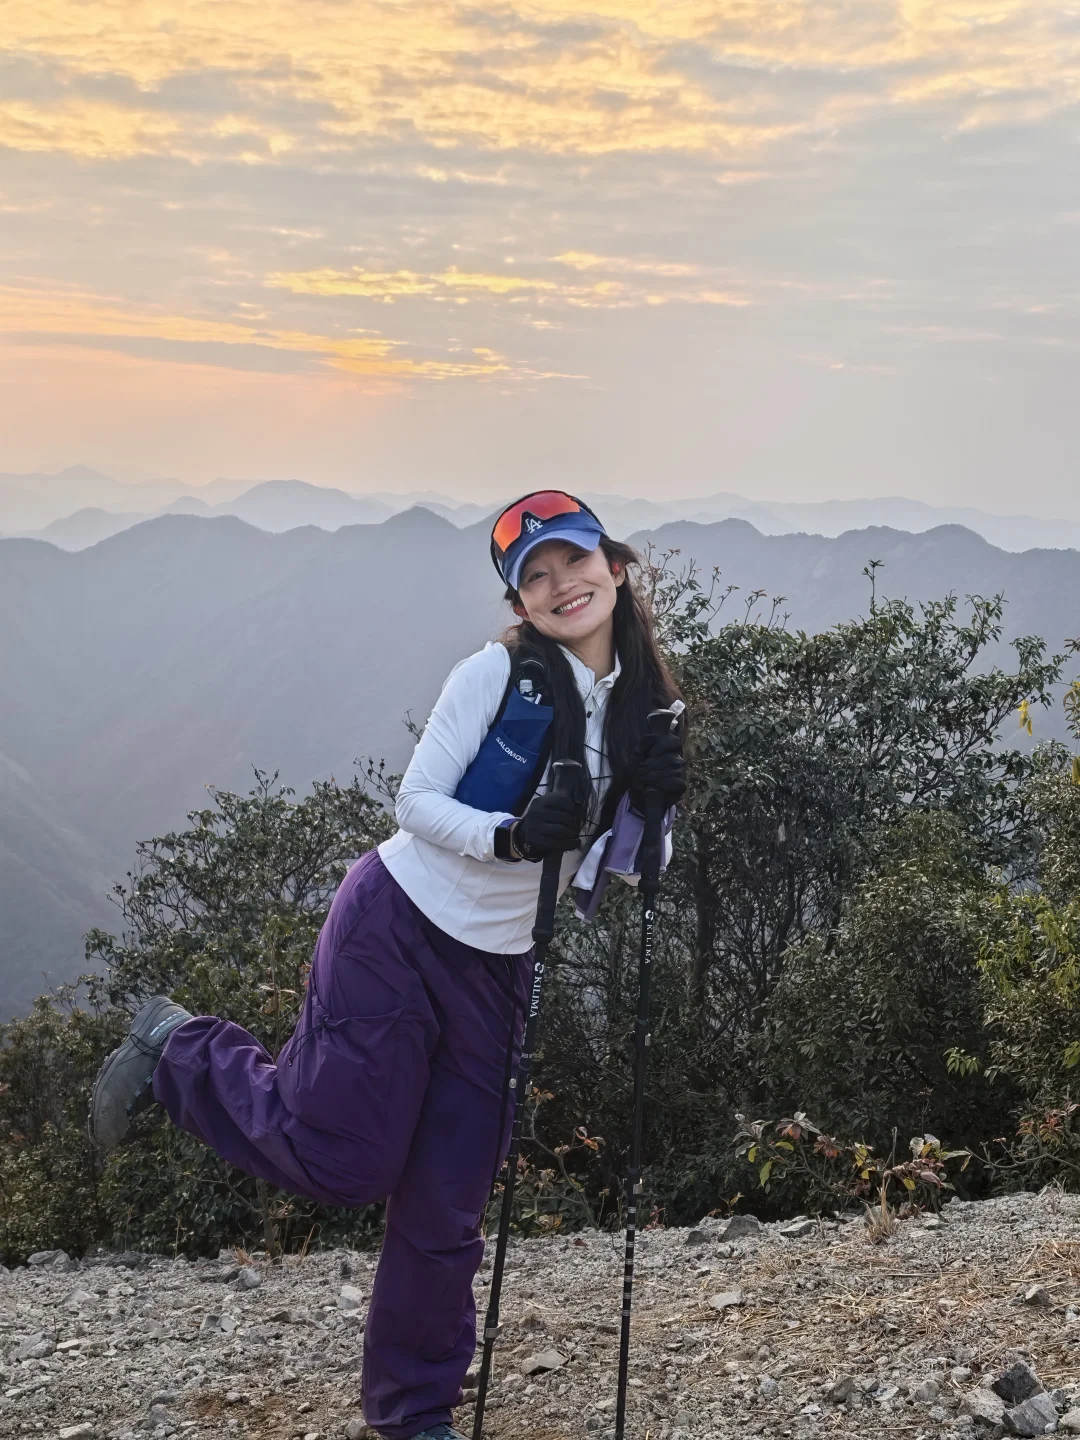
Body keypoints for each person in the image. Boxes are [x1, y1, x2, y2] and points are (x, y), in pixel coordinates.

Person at [90, 490, 687, 1440]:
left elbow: (636, 866)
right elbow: (416, 801)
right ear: (519, 602)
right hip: (396, 928)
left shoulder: (648, 708)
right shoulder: (496, 675)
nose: (560, 585)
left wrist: (654, 804)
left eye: (574, 561)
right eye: (534, 576)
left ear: (614, 567)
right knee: (344, 1161)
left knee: (447, 1199)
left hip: (498, 966)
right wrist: (508, 835)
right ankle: (178, 1047)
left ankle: (412, 1414)